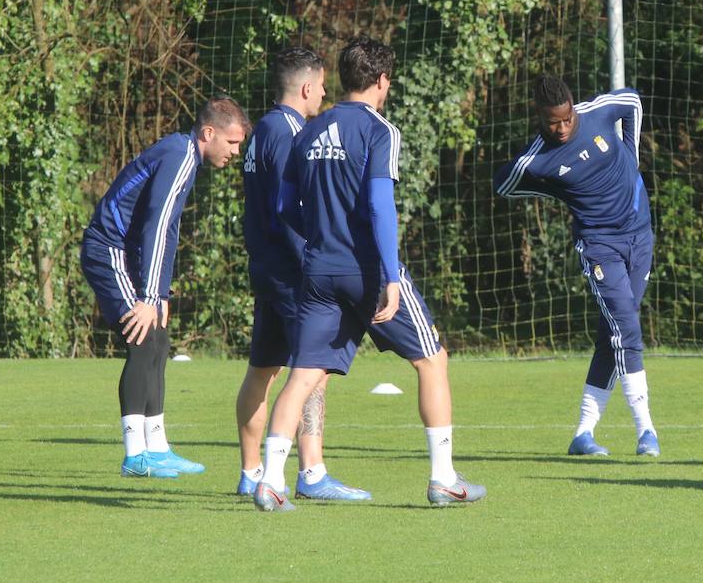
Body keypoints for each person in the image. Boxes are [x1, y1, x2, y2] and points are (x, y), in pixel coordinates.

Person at [252, 36, 484, 511]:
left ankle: (271, 480)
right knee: (432, 360)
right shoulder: (380, 131)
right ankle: (443, 478)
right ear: (381, 81)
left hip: (317, 270)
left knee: (302, 375)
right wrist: (391, 279)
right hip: (367, 272)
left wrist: (320, 235)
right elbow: (381, 207)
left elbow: (282, 206)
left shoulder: (308, 132)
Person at [81, 97, 249, 478]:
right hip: (108, 249)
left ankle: (156, 448)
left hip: (126, 253)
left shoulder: (185, 157)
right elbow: (155, 227)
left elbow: (167, 233)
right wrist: (147, 297)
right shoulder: (180, 156)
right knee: (142, 338)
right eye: (232, 143)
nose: (235, 152)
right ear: (209, 133)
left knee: (157, 339)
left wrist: (160, 294)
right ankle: (134, 455)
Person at [494, 74, 659, 457]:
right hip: (599, 245)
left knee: (614, 332)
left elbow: (632, 102)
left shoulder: (596, 114)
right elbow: (504, 184)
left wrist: (631, 158)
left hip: (640, 232)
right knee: (627, 329)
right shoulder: (538, 158)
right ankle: (646, 430)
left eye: (567, 118)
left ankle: (583, 434)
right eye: (554, 122)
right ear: (540, 117)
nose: (563, 127)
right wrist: (556, 190)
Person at [235, 46, 370, 501]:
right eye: (323, 85)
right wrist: (312, 256)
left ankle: (250, 471)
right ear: (308, 87)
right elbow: (286, 207)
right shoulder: (292, 132)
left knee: (262, 368)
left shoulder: (258, 131)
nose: (326, 93)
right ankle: (312, 473)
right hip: (292, 269)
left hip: (264, 266)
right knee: (311, 371)